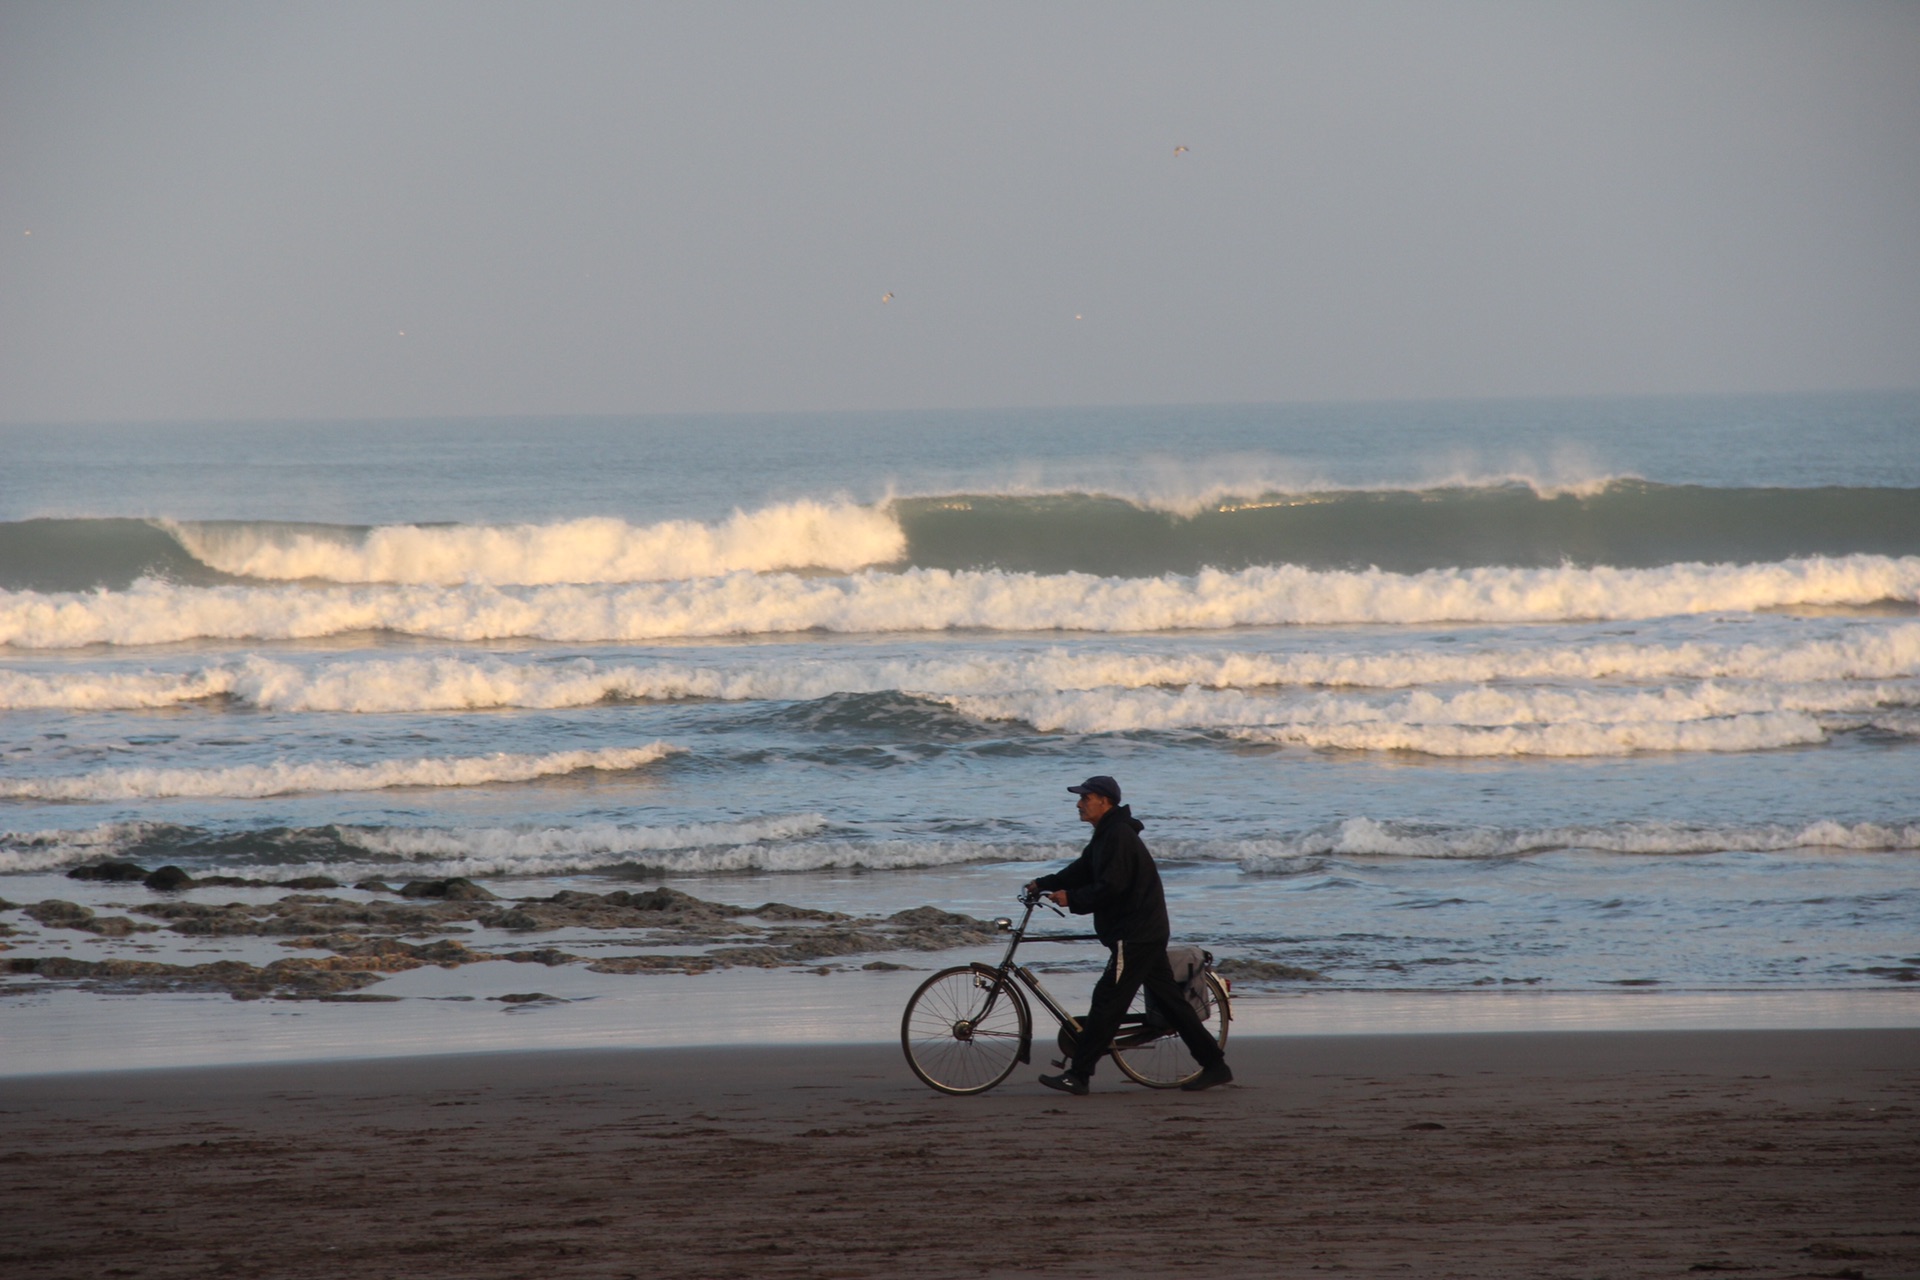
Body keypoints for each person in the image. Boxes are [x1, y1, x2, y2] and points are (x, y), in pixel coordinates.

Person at [1024, 775, 1233, 1095]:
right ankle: (1215, 1066)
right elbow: (1082, 870)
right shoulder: (1106, 834)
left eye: (1085, 798)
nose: (1078, 803)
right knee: (1172, 1005)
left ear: (1105, 802)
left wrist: (1073, 899)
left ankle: (1078, 1075)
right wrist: (1045, 882)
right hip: (1143, 932)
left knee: (1108, 1000)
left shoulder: (1117, 835)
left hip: (1135, 934)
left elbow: (1112, 886)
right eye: (1080, 798)